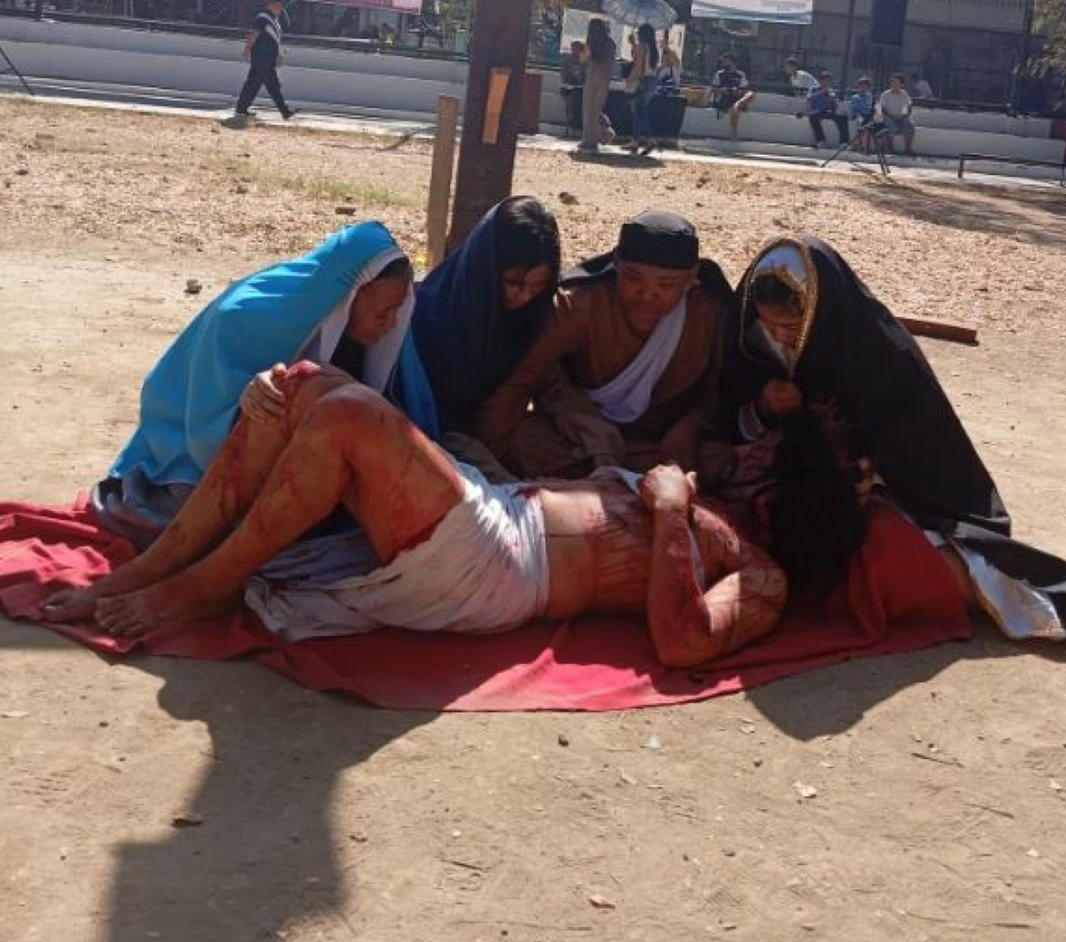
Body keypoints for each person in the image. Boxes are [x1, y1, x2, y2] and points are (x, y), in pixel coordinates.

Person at [42, 367, 794, 668]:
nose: (752, 456)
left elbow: (685, 641)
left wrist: (667, 514)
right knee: (301, 385)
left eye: (768, 462)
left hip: (504, 570)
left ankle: (197, 587)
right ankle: (154, 566)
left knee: (346, 418)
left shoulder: (759, 570)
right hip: (492, 510)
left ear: (786, 499)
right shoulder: (701, 476)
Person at [703, 237, 1066, 652]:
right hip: (779, 489)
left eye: (791, 328)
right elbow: (726, 419)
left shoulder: (881, 357)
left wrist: (857, 476)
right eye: (769, 327)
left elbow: (911, 452)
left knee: (891, 563)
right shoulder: (748, 339)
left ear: (820, 315)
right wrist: (761, 407)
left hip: (883, 500)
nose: (780, 339)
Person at [87, 221, 439, 549]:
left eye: (397, 310)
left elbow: (404, 419)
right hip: (187, 455)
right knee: (203, 529)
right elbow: (203, 430)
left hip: (292, 460)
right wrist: (251, 405)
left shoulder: (381, 334)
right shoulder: (242, 318)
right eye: (382, 314)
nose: (391, 325)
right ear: (348, 299)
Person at [477, 210, 732, 480]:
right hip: (580, 438)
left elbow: (718, 395)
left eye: (666, 284)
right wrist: (584, 425)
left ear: (691, 276)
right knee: (519, 440)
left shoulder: (711, 313)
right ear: (617, 263)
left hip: (658, 445)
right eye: (634, 279)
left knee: (721, 459)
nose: (647, 295)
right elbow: (526, 377)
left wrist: (689, 429)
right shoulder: (579, 304)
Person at [410, 197, 561, 437]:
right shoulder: (434, 312)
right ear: (486, 270)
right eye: (514, 283)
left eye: (537, 287)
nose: (525, 297)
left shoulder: (539, 312)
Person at [233, 0, 293, 124]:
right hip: (262, 58)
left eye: (281, 7)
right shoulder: (263, 18)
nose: (280, 9)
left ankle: (241, 109)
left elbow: (274, 41)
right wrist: (246, 50)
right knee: (271, 86)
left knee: (254, 85)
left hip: (267, 59)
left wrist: (279, 54)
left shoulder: (273, 21)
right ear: (270, 5)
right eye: (278, 6)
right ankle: (285, 111)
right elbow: (255, 35)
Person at [578, 15, 616, 153]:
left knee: (589, 111)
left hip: (592, 79)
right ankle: (603, 134)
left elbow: (583, 59)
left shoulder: (590, 44)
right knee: (596, 110)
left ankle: (590, 140)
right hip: (604, 80)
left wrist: (582, 49)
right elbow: (612, 63)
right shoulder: (611, 44)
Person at [624, 22, 660, 156]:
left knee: (640, 112)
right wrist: (633, 44)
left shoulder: (642, 46)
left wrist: (630, 79)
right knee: (639, 112)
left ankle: (650, 139)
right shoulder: (653, 48)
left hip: (641, 81)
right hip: (651, 81)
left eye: (639, 32)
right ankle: (635, 141)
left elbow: (638, 65)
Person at [711, 52, 754, 139]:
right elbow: (714, 89)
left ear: (733, 63)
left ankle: (737, 105)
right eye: (723, 62)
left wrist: (738, 91)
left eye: (726, 61)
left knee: (751, 94)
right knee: (734, 110)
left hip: (737, 98)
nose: (724, 64)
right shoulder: (719, 74)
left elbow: (744, 89)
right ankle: (734, 134)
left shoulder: (741, 74)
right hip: (724, 99)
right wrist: (722, 90)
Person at [806, 69, 849, 148]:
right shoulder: (814, 89)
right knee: (813, 118)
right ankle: (820, 140)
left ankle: (843, 142)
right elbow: (808, 98)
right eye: (825, 80)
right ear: (821, 81)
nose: (827, 83)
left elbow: (835, 106)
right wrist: (821, 92)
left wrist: (831, 98)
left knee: (843, 118)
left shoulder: (831, 91)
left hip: (827, 112)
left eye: (828, 81)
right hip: (816, 112)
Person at [876, 73, 916, 156]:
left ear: (902, 84)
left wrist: (906, 115)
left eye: (897, 82)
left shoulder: (904, 94)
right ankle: (889, 149)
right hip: (888, 116)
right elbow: (883, 109)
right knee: (891, 128)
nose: (894, 84)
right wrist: (890, 116)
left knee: (910, 127)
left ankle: (908, 149)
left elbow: (909, 105)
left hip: (901, 116)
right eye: (892, 82)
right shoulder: (885, 94)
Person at [560, 40, 587, 138]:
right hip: (568, 89)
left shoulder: (585, 62)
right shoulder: (567, 61)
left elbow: (586, 77)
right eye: (573, 49)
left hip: (581, 90)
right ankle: (574, 125)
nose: (574, 52)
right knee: (573, 100)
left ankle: (579, 126)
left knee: (580, 100)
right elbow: (564, 76)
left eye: (577, 49)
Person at [848, 76, 875, 152]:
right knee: (861, 125)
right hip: (859, 115)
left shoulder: (870, 96)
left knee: (869, 126)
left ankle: (866, 147)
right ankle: (860, 147)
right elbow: (855, 109)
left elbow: (870, 107)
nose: (863, 88)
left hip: (868, 116)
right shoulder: (855, 97)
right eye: (861, 86)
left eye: (865, 86)